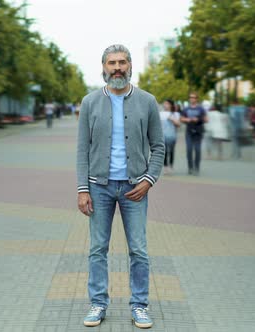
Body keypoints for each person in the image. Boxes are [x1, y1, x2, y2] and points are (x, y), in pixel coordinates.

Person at [76, 44, 164, 329]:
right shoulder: (89, 102)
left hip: (134, 188)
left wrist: (148, 180)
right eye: (112, 63)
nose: (117, 68)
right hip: (98, 188)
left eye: (122, 62)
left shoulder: (147, 101)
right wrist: (82, 189)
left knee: (138, 249)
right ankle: (98, 304)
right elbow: (82, 150)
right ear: (103, 67)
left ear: (130, 66)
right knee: (97, 248)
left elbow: (159, 146)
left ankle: (139, 305)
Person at [180, 93, 207, 175]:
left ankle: (197, 167)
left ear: (196, 99)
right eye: (191, 97)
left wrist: (198, 119)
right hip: (189, 131)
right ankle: (190, 168)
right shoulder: (186, 109)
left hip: (198, 132)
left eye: (194, 97)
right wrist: (187, 119)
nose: (192, 99)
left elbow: (206, 119)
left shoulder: (201, 109)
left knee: (198, 150)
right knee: (189, 150)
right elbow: (181, 118)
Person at [159, 99, 180, 174]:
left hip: (172, 136)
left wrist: (172, 119)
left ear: (171, 105)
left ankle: (171, 166)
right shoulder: (160, 113)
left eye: (167, 104)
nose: (165, 105)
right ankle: (165, 167)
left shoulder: (175, 114)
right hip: (162, 136)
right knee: (164, 152)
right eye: (164, 103)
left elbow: (178, 125)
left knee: (171, 151)